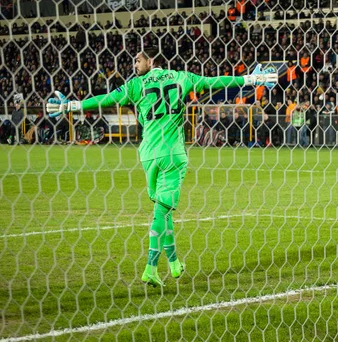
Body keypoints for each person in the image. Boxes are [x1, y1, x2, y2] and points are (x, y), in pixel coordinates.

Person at [46, 47, 277, 287]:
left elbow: (104, 99)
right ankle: (150, 268)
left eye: (138, 60)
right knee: (161, 212)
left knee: (163, 210)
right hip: (172, 154)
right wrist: (252, 78)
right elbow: (215, 81)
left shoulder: (136, 85)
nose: (134, 64)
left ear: (151, 60)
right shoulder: (182, 77)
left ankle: (175, 261)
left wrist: (70, 106)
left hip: (148, 155)